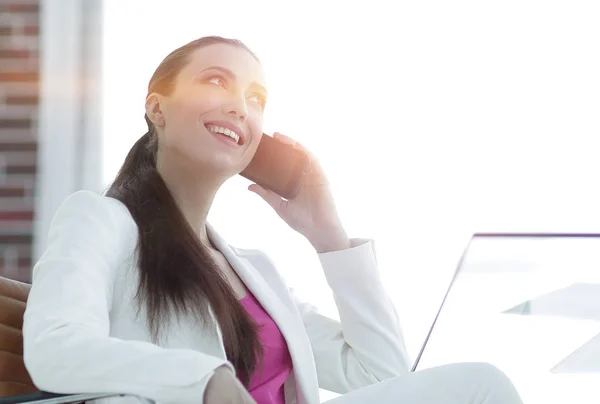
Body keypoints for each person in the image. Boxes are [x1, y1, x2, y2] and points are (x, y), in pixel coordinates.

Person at [22, 36, 523, 404]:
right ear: (157, 106)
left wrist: (330, 237)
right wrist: (205, 380)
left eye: (255, 99)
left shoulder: (255, 271)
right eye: (216, 80)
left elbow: (380, 375)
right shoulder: (101, 219)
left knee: (482, 384)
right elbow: (54, 348)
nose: (240, 107)